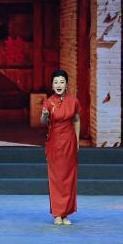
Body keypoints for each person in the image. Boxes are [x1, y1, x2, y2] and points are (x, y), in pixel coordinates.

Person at [41, 69, 79, 225]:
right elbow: (43, 122)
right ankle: (57, 214)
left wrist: (77, 141)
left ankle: (66, 214)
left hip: (69, 141)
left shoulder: (74, 101)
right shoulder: (48, 102)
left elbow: (76, 120)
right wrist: (44, 115)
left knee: (69, 178)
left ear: (66, 84)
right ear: (52, 85)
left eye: (62, 82)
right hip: (55, 142)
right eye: (56, 82)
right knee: (56, 178)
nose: (59, 85)